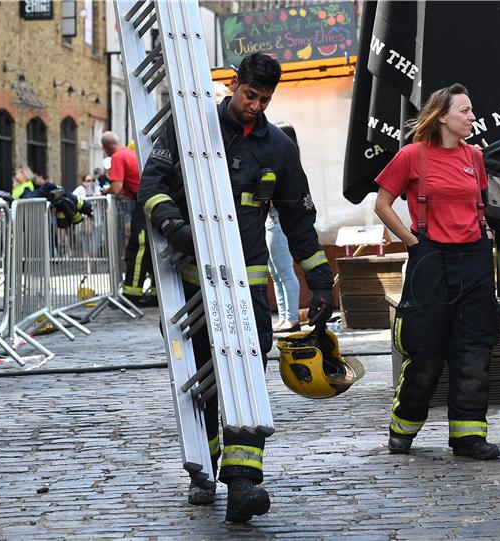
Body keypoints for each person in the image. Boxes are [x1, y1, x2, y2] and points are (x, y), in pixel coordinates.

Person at [138, 53, 334, 523]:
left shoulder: (279, 148)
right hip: (195, 285)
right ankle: (202, 471)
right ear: (234, 85)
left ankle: (244, 480)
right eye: (250, 95)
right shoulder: (190, 131)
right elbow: (151, 186)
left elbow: (298, 220)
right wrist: (176, 227)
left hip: (249, 289)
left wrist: (322, 283)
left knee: (245, 378)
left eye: (265, 99)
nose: (255, 106)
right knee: (204, 381)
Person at [374, 83, 500, 460]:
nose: (472, 117)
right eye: (465, 111)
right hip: (430, 260)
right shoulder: (412, 156)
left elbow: (478, 203)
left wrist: (486, 233)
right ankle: (404, 426)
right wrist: (412, 242)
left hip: (474, 260)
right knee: (426, 353)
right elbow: (382, 205)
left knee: (474, 350)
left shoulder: (475, 157)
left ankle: (468, 437)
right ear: (442, 116)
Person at [101, 130, 154, 305]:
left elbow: (116, 188)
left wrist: (104, 191)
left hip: (143, 202)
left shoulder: (117, 157)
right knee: (151, 250)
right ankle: (155, 295)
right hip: (150, 199)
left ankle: (132, 296)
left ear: (105, 148)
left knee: (137, 250)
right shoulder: (129, 153)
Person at [267, 122, 302, 333]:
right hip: (271, 222)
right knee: (276, 274)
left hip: (279, 223)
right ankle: (284, 317)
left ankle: (291, 317)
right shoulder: (283, 163)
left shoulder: (287, 167)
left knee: (285, 272)